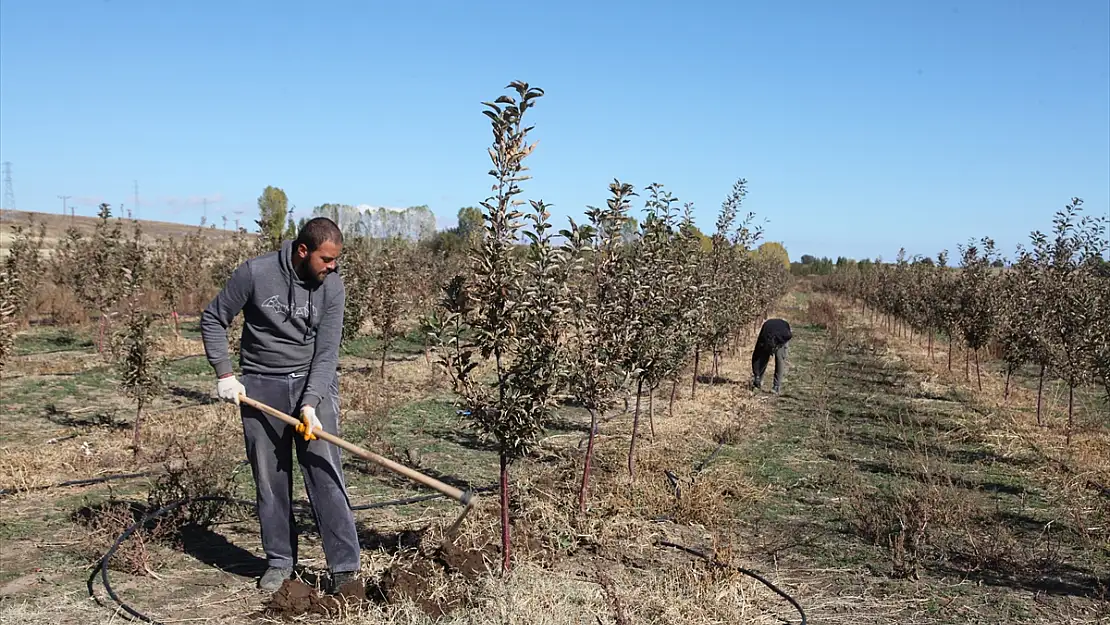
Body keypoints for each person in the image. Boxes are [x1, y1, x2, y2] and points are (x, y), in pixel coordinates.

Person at [200, 217, 361, 593]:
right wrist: (225, 374)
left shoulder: (332, 287)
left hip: (311, 383)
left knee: (325, 472)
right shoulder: (255, 273)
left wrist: (310, 403)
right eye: (326, 259)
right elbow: (213, 318)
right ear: (303, 251)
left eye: (336, 259)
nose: (332, 266)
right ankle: (280, 562)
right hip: (260, 386)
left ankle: (344, 567)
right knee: (270, 479)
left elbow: (326, 353)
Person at [752, 318, 792, 394]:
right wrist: (756, 374)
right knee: (762, 357)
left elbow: (789, 336)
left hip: (782, 332)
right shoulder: (762, 340)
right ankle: (758, 381)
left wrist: (778, 347)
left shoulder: (784, 335)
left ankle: (776, 387)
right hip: (769, 329)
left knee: (780, 360)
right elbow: (757, 357)